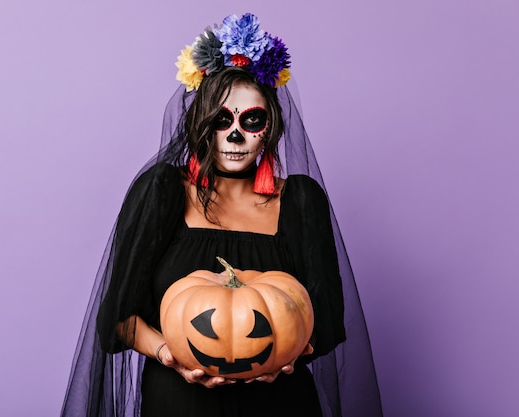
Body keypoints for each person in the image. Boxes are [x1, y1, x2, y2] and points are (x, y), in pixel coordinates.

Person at [62, 13, 383, 417]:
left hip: (279, 405)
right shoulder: (163, 194)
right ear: (200, 124)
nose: (234, 136)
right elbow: (117, 319)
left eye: (251, 120)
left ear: (270, 127)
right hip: (180, 404)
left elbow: (328, 323)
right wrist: (168, 354)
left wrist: (291, 354)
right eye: (220, 120)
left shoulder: (301, 202)